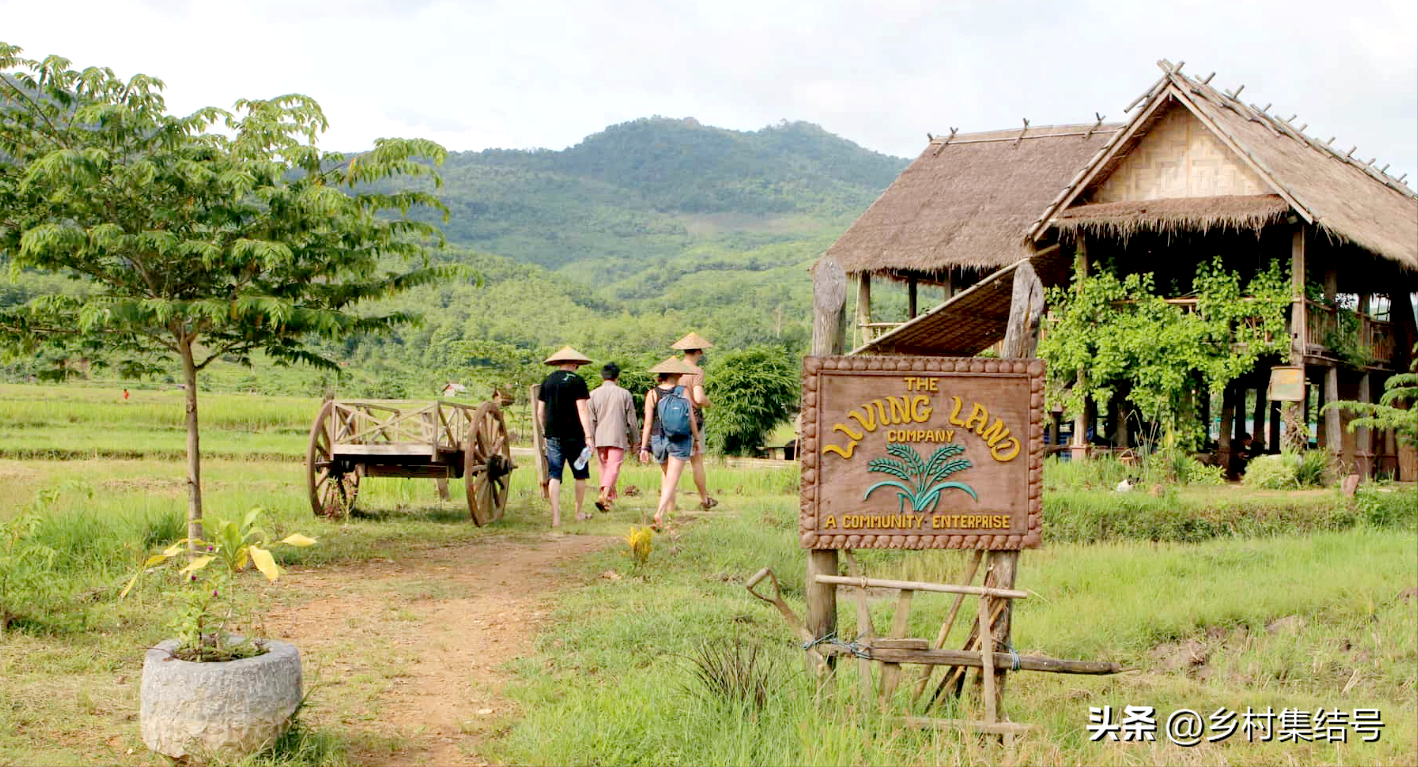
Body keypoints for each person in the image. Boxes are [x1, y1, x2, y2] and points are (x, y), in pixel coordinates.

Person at [637, 357, 701, 531]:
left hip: (658, 439)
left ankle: (668, 517)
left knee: (667, 478)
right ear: (679, 374)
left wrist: (644, 447)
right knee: (672, 480)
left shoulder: (651, 394)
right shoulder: (683, 391)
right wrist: (696, 439)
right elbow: (691, 419)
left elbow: (648, 424)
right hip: (680, 438)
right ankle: (659, 512)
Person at [536, 346, 595, 527]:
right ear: (575, 364)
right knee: (579, 473)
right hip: (575, 435)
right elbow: (583, 409)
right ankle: (578, 513)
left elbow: (540, 411)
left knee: (555, 474)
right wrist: (589, 436)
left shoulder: (547, 381)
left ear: (558, 363)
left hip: (553, 435)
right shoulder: (578, 381)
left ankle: (556, 518)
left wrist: (546, 429)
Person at [672, 332, 718, 510]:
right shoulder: (696, 371)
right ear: (698, 351)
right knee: (696, 461)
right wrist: (708, 403)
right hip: (692, 419)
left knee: (672, 461)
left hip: (672, 419)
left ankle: (670, 501)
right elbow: (698, 397)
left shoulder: (674, 369)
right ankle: (704, 498)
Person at [588, 362, 639, 512]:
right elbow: (632, 421)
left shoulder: (593, 394)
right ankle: (604, 495)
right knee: (614, 466)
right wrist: (636, 440)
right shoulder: (624, 394)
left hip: (600, 436)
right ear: (617, 376)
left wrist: (589, 439)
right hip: (617, 435)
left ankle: (608, 500)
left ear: (601, 376)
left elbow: (590, 420)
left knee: (604, 466)